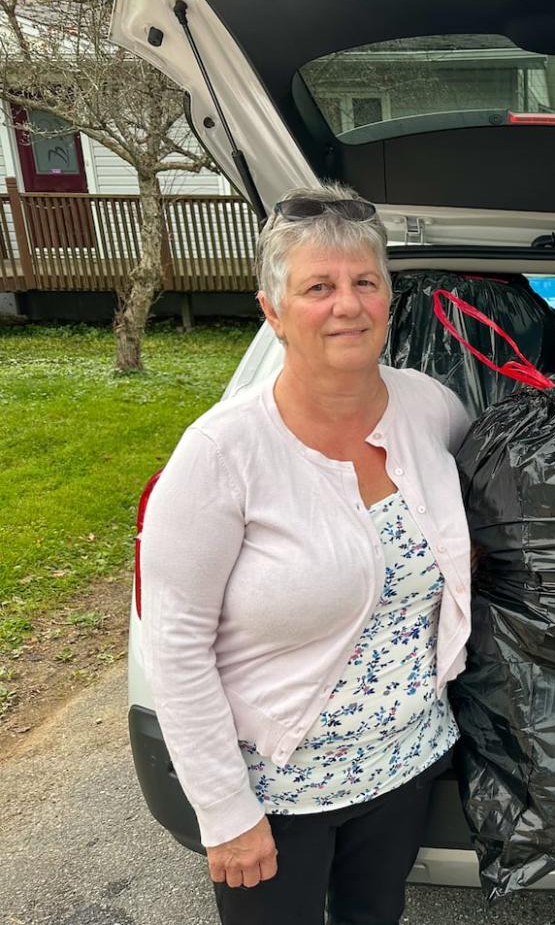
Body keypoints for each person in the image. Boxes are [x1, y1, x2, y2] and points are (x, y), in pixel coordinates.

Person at [140, 183, 473, 925]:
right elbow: (177, 644)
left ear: (390, 296)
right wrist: (225, 809)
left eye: (366, 282)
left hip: (404, 767)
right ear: (273, 310)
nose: (347, 305)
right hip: (276, 792)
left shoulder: (431, 406)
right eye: (319, 287)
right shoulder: (221, 453)